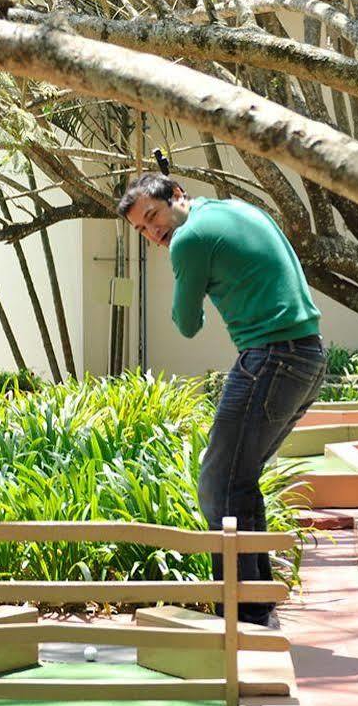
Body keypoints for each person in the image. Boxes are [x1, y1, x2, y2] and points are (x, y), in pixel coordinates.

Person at [118, 171, 329, 629]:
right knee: (239, 479)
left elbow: (186, 322)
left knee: (217, 485)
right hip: (309, 357)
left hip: (271, 359)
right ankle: (256, 608)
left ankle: (244, 615)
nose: (154, 232)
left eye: (153, 217)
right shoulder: (234, 208)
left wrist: (182, 268)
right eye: (142, 229)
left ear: (176, 195)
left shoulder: (187, 240)